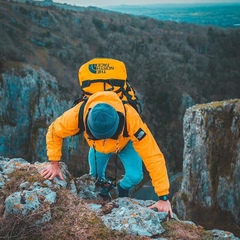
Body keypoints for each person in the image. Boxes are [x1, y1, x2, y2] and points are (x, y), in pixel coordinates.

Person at [41, 61, 173, 218]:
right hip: (98, 149)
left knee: (135, 176)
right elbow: (54, 131)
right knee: (94, 177)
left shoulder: (131, 119)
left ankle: (122, 190)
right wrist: (54, 163)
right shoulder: (78, 114)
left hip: (125, 144)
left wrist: (163, 197)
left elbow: (153, 155)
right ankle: (102, 192)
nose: (105, 139)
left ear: (119, 123)